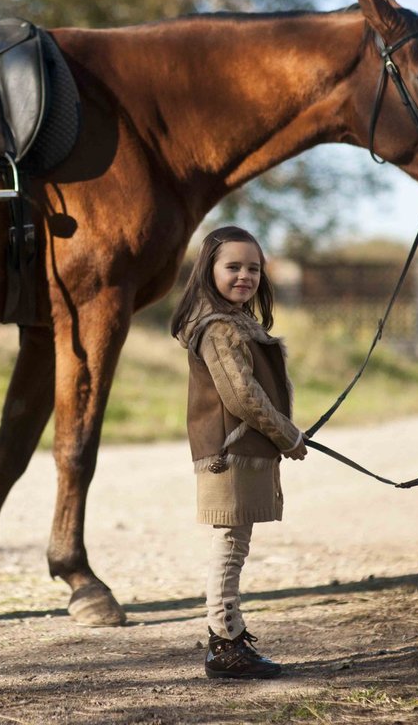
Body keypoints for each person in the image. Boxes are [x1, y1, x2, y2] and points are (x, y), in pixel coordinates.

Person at [170, 226, 307, 680]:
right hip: (228, 453)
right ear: (209, 271)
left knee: (235, 543)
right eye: (233, 266)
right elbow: (241, 396)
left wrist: (285, 433)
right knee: (229, 546)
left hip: (242, 449)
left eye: (253, 267)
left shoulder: (236, 323)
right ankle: (224, 643)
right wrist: (286, 435)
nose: (245, 275)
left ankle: (228, 635)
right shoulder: (217, 329)